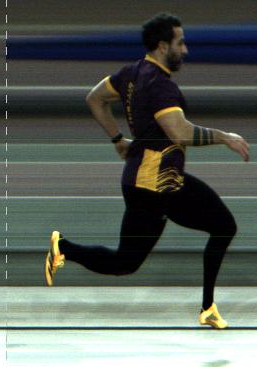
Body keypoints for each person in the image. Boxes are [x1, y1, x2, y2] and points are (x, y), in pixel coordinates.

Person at [46, 13, 249, 328]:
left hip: (154, 180)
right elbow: (180, 132)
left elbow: (95, 98)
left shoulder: (132, 73)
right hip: (155, 186)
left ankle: (208, 307)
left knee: (132, 260)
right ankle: (64, 249)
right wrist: (226, 137)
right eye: (180, 43)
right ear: (162, 46)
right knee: (131, 260)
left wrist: (117, 140)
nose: (185, 50)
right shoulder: (160, 86)